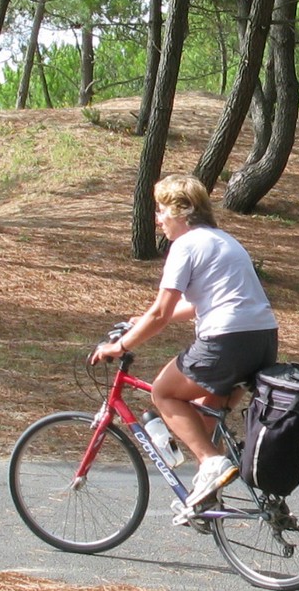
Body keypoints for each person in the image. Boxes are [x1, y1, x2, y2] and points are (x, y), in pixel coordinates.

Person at [91, 172, 279, 508]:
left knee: (164, 393)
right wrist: (141, 321)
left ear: (180, 212)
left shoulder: (186, 245)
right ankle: (209, 502)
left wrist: (120, 346)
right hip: (262, 341)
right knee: (204, 419)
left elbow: (160, 313)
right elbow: (196, 303)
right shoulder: (224, 240)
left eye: (161, 210)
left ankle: (212, 462)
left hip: (226, 342)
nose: (157, 218)